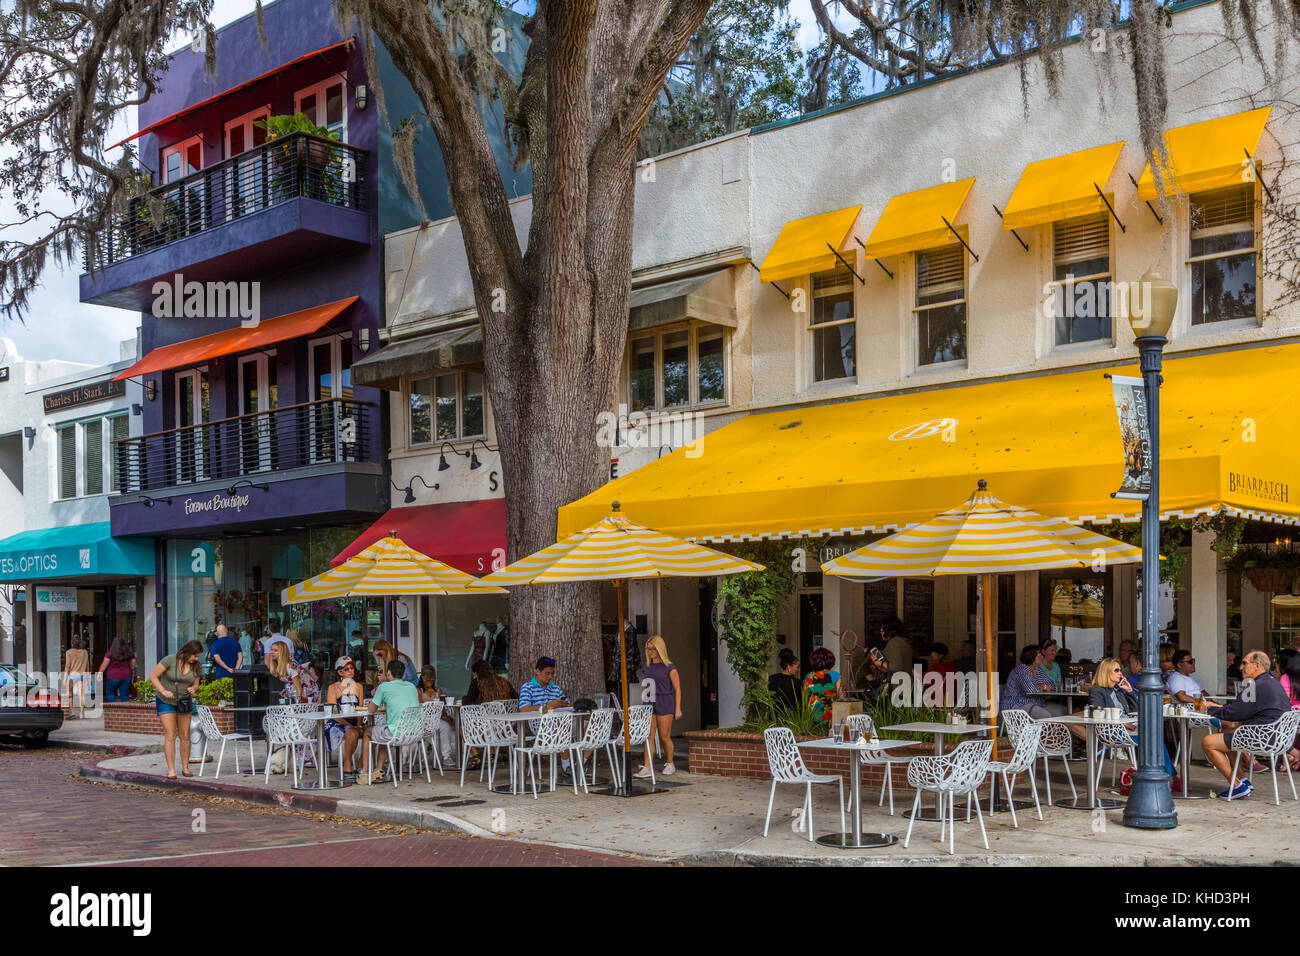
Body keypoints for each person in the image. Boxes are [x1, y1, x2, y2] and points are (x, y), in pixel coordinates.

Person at [1201, 649, 1294, 798]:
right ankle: (1243, 781)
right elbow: (1239, 710)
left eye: (1245, 663)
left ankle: (1236, 785)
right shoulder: (1273, 683)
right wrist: (1220, 709)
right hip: (1278, 738)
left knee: (1208, 742)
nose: (1241, 667)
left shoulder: (1255, 686)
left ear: (1257, 666)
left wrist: (1209, 709)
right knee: (1228, 733)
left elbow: (1234, 713)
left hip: (1262, 738)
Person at [1088, 657, 1177, 778]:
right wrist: (1124, 724)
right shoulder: (1097, 690)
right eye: (1116, 670)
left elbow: (1135, 710)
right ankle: (1168, 776)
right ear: (1106, 672)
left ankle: (1163, 775)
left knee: (1155, 737)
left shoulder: (1117, 689)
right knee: (1152, 739)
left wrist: (1129, 691)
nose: (1120, 673)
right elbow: (1096, 712)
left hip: (1128, 728)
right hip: (1113, 731)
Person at [357, 659, 421, 785]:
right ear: (403, 674)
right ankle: (379, 770)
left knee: (368, 732)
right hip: (414, 734)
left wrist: (377, 694)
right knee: (383, 730)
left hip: (395, 734)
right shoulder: (412, 687)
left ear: (389, 673)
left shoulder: (384, 687)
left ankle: (364, 771)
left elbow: (370, 710)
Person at [150, 640, 203, 778]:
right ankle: (171, 770)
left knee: (185, 735)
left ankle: (185, 768)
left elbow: (196, 684)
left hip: (184, 702)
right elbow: (153, 677)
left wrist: (194, 689)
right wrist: (163, 690)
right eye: (194, 656)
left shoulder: (195, 666)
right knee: (170, 734)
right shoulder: (170, 660)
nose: (196, 659)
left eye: (198, 656)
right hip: (165, 701)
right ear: (187, 652)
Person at [518, 656, 576, 781]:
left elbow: (568, 703)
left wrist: (563, 704)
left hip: (562, 722)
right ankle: (567, 767)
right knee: (562, 727)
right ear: (537, 671)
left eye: (552, 673)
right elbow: (523, 709)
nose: (550, 677)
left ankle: (580, 764)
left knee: (592, 725)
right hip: (539, 725)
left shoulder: (555, 688)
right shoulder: (527, 687)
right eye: (547, 673)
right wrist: (548, 707)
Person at [636, 635, 681, 778]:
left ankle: (669, 763)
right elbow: (646, 686)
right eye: (648, 649)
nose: (650, 652)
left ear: (659, 648)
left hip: (665, 701)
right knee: (648, 736)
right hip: (649, 703)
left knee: (664, 736)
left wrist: (678, 708)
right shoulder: (646, 667)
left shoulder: (670, 667)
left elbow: (678, 690)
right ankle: (647, 767)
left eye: (653, 649)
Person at [326, 657, 366, 780]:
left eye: (352, 668)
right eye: (346, 669)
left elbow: (360, 708)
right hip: (337, 722)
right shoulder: (333, 688)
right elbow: (332, 712)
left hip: (355, 721)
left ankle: (361, 764)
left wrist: (359, 725)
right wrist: (353, 727)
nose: (350, 671)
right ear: (340, 672)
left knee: (371, 732)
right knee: (352, 733)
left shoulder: (358, 686)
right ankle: (347, 764)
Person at [417, 665, 457, 768]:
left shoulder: (438, 690)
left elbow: (442, 707)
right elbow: (419, 708)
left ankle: (446, 757)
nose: (429, 682)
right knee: (435, 731)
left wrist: (445, 716)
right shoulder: (418, 691)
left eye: (431, 680)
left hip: (437, 719)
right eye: (427, 680)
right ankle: (429, 747)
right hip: (423, 720)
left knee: (445, 726)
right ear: (422, 678)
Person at [1001, 644, 1053, 719]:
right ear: (1032, 658)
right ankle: (1039, 731)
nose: (1043, 657)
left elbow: (1053, 686)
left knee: (1062, 712)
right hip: (1016, 705)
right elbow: (1031, 691)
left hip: (1036, 704)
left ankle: (1044, 730)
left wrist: (1043, 687)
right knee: (1045, 715)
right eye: (1040, 655)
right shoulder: (1021, 671)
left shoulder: (1038, 670)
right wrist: (1045, 687)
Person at [803, 647, 841, 728]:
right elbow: (841, 699)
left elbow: (805, 699)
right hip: (831, 717)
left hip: (812, 717)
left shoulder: (808, 677)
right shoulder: (835, 675)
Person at [98, 637, 136, 703]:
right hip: (126, 676)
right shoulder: (129, 653)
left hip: (112, 677)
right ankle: (125, 711)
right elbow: (132, 666)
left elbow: (104, 665)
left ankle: (112, 710)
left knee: (110, 693)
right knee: (125, 695)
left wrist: (99, 672)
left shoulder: (110, 653)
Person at [63, 636, 91, 718]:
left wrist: (65, 678)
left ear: (72, 643)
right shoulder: (85, 652)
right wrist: (88, 676)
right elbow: (87, 665)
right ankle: (82, 713)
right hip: (82, 676)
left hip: (71, 676)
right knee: (81, 694)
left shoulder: (69, 652)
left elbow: (67, 666)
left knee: (69, 694)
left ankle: (71, 711)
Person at [768, 647, 801, 712]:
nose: (799, 670)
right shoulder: (796, 682)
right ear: (789, 667)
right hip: (792, 718)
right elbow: (799, 702)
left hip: (775, 716)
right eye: (797, 667)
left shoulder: (772, 678)